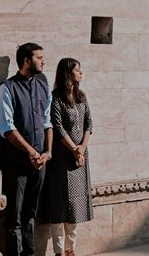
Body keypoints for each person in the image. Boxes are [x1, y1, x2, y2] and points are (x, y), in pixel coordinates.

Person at [0, 43, 54, 256]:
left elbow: (48, 122)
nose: (43, 61)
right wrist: (31, 152)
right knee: (15, 217)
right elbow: (7, 127)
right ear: (26, 61)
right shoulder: (7, 88)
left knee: (30, 213)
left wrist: (47, 153)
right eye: (39, 57)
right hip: (16, 163)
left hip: (40, 163)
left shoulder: (43, 87)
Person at [41, 58, 93, 256]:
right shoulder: (56, 98)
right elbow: (57, 127)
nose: (80, 73)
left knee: (75, 208)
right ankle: (59, 252)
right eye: (77, 70)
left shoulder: (81, 96)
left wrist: (82, 149)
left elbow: (89, 124)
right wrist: (74, 149)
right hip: (63, 159)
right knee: (59, 208)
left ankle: (71, 251)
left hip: (79, 159)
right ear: (67, 73)